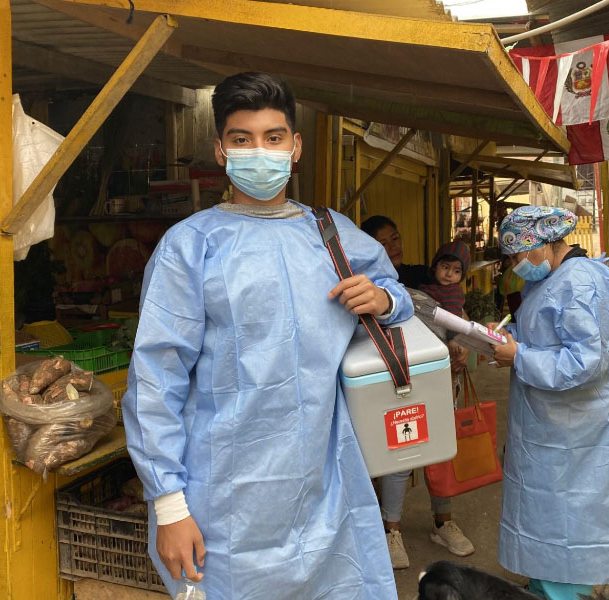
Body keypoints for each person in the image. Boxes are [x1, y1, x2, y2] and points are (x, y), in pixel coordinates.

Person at [122, 72, 413, 600]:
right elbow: (154, 383)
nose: (261, 151)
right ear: (221, 149)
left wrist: (387, 299)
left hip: (328, 490)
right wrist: (169, 506)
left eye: (273, 138)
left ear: (295, 146)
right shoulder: (190, 248)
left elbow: (397, 291)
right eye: (243, 139)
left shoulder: (332, 235)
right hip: (226, 504)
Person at [492, 206, 609, 600]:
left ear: (541, 245)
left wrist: (519, 357)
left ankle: (564, 591)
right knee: (545, 516)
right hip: (548, 423)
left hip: (577, 432)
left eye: (515, 256)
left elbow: (586, 362)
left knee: (570, 521)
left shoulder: (579, 283)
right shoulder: (551, 280)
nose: (514, 265)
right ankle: (544, 586)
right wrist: (510, 347)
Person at [361, 217, 474, 568]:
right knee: (400, 455)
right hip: (394, 381)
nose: (393, 246)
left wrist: (461, 343)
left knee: (440, 452)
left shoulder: (418, 275)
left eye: (396, 237)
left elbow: (454, 310)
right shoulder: (364, 283)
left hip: (436, 377)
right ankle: (390, 531)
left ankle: (443, 523)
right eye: (383, 241)